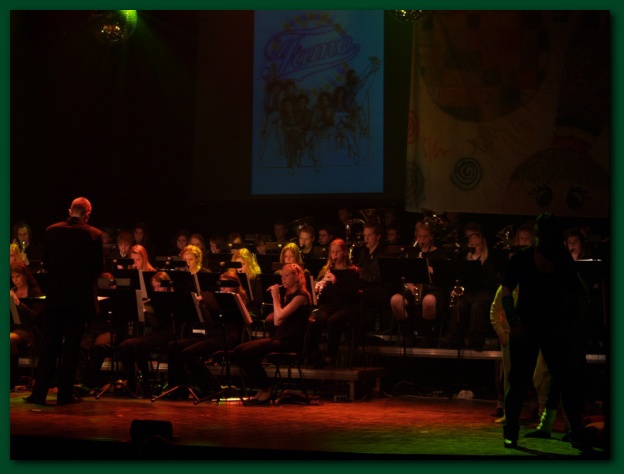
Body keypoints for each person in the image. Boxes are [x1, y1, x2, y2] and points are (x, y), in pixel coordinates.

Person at [500, 212, 590, 450]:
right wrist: (514, 322)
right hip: (528, 326)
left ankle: (576, 430)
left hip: (552, 327)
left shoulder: (561, 258)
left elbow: (573, 293)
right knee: (519, 382)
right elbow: (506, 289)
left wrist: (565, 325)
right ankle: (511, 430)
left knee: (564, 380)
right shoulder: (523, 258)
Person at [24, 197, 104, 406]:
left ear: (70, 210)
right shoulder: (94, 234)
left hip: (55, 298)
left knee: (49, 346)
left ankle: (39, 394)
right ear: (87, 214)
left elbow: (46, 263)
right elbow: (98, 268)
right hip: (78, 300)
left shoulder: (52, 231)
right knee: (71, 348)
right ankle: (64, 395)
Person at [233, 263, 310, 405]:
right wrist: (278, 298)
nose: (283, 279)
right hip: (280, 338)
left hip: (291, 342)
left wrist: (275, 297)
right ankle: (262, 388)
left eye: (287, 276)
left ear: (297, 277)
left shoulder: (301, 296)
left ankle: (266, 389)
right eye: (282, 276)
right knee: (239, 350)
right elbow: (277, 321)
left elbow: (278, 319)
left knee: (247, 353)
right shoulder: (289, 295)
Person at [165, 271, 248, 399]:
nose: (222, 288)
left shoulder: (237, 300)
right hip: (212, 336)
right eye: (221, 285)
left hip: (227, 338)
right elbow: (210, 325)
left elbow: (233, 325)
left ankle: (211, 389)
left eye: (226, 285)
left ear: (235, 286)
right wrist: (203, 307)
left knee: (188, 352)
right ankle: (178, 389)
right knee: (174, 345)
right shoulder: (216, 299)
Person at [117, 272, 176, 395]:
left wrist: (144, 311)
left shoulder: (171, 299)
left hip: (168, 334)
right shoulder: (153, 301)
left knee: (139, 344)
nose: (156, 290)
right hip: (155, 335)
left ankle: (146, 384)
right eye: (154, 287)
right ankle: (131, 384)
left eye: (159, 286)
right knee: (124, 345)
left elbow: (157, 324)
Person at [389, 223, 447, 347]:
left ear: (431, 237)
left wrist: (431, 270)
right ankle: (409, 334)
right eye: (420, 236)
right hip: (414, 288)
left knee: (428, 301)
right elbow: (405, 274)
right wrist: (411, 287)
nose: (422, 239)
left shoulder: (439, 253)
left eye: (425, 236)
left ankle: (427, 336)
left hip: (432, 289)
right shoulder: (412, 252)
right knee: (395, 301)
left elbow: (444, 276)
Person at [309, 239, 360, 367]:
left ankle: (330, 357)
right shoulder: (326, 270)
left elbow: (352, 295)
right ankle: (313, 355)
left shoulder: (353, 271)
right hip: (328, 307)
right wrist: (318, 288)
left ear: (345, 252)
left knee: (333, 321)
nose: (335, 255)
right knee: (313, 320)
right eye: (332, 252)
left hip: (345, 308)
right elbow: (322, 298)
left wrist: (336, 281)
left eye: (338, 252)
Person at [445, 232, 498, 351]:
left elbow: (490, 281)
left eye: (477, 245)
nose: (474, 247)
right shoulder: (465, 259)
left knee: (477, 307)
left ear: (483, 246)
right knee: (459, 306)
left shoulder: (488, 260)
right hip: (468, 292)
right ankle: (454, 339)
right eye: (472, 245)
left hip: (483, 293)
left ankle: (476, 340)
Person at [10, 261, 45, 390]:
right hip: (15, 327)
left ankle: (11, 379)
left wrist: (18, 304)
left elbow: (35, 317)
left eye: (18, 276)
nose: (15, 280)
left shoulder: (34, 292)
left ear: (25, 275)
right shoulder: (12, 291)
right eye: (13, 277)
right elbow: (14, 317)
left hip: (29, 330)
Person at [356, 220, 391, 336]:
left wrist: (360, 273)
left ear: (378, 236)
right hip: (367, 286)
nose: (366, 239)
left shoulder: (384, 253)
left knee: (366, 294)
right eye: (364, 235)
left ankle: (364, 329)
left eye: (369, 235)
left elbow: (379, 277)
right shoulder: (364, 252)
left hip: (382, 288)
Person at [231, 248, 263, 322]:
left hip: (252, 309)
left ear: (249, 264)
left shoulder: (256, 278)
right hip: (237, 308)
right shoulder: (234, 277)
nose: (240, 268)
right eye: (238, 265)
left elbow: (259, 300)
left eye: (243, 264)